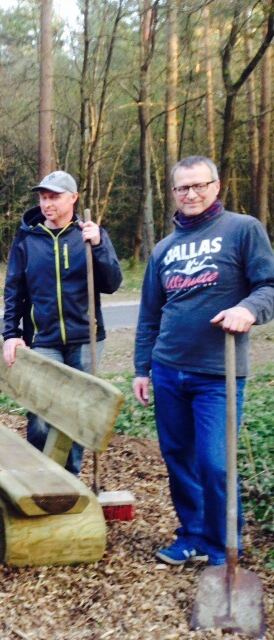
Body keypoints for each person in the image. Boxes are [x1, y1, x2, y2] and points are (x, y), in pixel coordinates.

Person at [133, 155, 274, 566]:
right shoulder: (164, 248)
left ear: (216, 186)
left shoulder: (243, 230)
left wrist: (248, 309)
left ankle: (222, 544)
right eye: (182, 188)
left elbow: (268, 285)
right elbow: (149, 314)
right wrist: (142, 368)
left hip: (219, 375)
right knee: (178, 457)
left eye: (199, 185)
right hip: (168, 369)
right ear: (173, 193)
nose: (191, 194)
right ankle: (191, 535)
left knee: (214, 462)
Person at [3, 170, 123, 475]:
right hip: (43, 339)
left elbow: (111, 283)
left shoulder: (89, 234)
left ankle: (68, 481)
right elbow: (14, 288)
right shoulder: (27, 238)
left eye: (54, 196)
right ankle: (39, 478)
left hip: (86, 338)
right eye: (43, 197)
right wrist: (11, 333)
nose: (47, 203)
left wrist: (98, 246)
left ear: (73, 198)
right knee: (41, 416)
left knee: (76, 413)